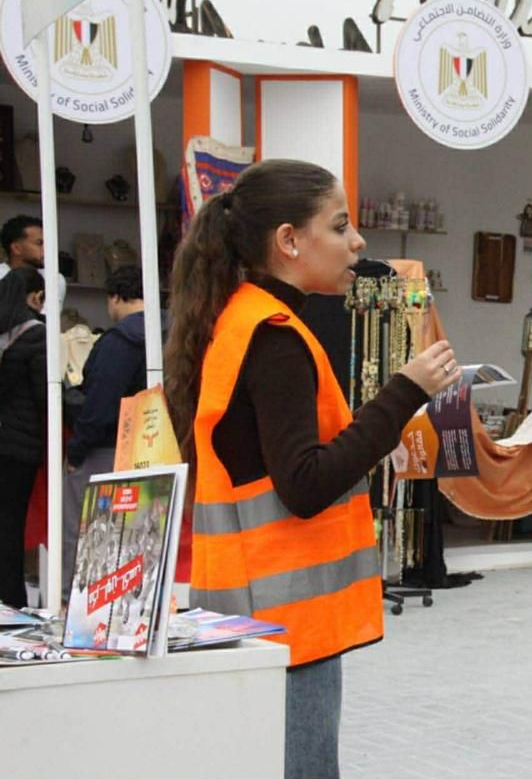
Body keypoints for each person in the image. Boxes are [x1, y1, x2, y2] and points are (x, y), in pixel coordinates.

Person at [164, 159, 461, 779]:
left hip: (247, 603)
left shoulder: (239, 320)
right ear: (289, 241)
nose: (358, 242)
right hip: (285, 618)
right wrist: (404, 392)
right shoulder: (274, 337)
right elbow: (304, 484)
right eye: (340, 225)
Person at [62, 266, 154, 596]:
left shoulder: (120, 340)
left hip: (106, 448)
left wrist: (76, 450)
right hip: (156, 448)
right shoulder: (173, 331)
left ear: (115, 298)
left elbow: (100, 402)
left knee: (84, 531)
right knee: (140, 538)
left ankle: (76, 602)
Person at [0, 266, 47, 607]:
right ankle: (11, 599)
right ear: (35, 297)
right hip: (19, 447)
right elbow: (46, 395)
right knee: (11, 523)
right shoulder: (36, 334)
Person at [0, 214, 66, 315]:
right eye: (39, 243)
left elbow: (48, 320)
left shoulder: (53, 279)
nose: (46, 248)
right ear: (16, 248)